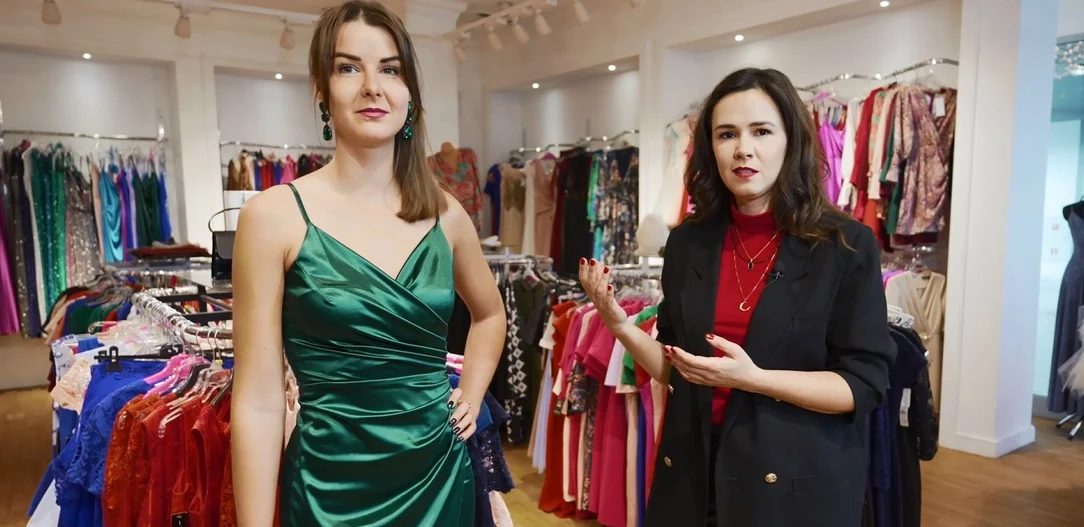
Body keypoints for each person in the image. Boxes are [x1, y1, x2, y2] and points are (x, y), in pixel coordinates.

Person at [579, 67, 897, 527]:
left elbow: (863, 385)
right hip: (694, 475)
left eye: (761, 131)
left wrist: (756, 380)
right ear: (710, 147)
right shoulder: (689, 242)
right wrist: (619, 325)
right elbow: (678, 370)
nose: (743, 149)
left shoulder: (843, 245)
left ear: (791, 140)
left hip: (792, 483)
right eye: (727, 134)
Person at [229, 2, 507, 525]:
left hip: (437, 477)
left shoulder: (446, 215)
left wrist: (470, 394)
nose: (372, 87)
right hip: (327, 491)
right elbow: (258, 401)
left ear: (410, 94)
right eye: (348, 67)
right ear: (322, 90)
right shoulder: (272, 217)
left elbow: (491, 314)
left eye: (390, 69)